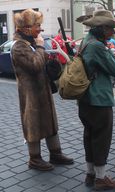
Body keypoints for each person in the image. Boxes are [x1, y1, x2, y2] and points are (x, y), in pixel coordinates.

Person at [11, 9, 74, 171]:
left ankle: (56, 153)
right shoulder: (18, 46)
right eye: (37, 25)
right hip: (31, 94)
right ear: (26, 28)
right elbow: (34, 65)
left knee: (49, 121)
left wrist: (50, 59)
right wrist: (40, 47)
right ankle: (35, 159)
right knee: (33, 124)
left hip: (43, 90)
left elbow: (42, 62)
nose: (40, 29)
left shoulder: (31, 43)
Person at [77, 10, 115, 190]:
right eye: (111, 29)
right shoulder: (97, 46)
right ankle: (101, 178)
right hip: (98, 99)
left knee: (89, 136)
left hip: (85, 99)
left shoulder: (86, 41)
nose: (113, 33)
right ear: (102, 28)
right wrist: (111, 55)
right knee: (101, 138)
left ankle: (91, 174)